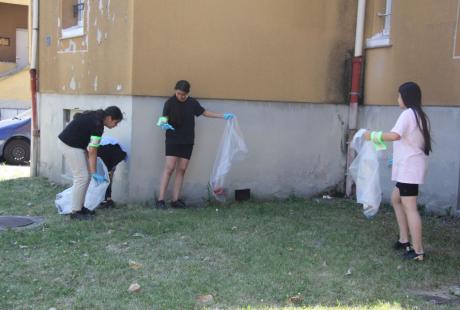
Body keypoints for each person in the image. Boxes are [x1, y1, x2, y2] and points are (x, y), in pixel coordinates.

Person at [364, 82, 431, 261]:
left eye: (399, 95)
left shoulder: (408, 114)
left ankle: (418, 251)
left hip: (409, 170)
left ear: (406, 97)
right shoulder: (419, 115)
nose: (397, 99)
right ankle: (403, 240)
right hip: (409, 168)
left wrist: (372, 135)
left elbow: (395, 136)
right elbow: (412, 142)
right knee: (396, 198)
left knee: (410, 208)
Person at [155, 80, 235, 209]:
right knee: (169, 169)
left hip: (187, 140)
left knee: (182, 170)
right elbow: (162, 120)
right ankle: (160, 200)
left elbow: (204, 112)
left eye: (183, 94)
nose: (180, 96)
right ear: (175, 90)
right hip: (173, 139)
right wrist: (163, 124)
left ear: (187, 93)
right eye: (178, 93)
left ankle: (175, 200)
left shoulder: (192, 103)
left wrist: (222, 116)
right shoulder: (169, 103)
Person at [58, 106, 123, 220]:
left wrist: (92, 172)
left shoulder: (95, 117)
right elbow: (93, 150)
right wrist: (93, 172)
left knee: (85, 177)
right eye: (116, 122)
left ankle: (80, 207)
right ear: (109, 118)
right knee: (82, 177)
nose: (115, 125)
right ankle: (76, 212)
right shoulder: (98, 125)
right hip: (69, 145)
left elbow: (91, 150)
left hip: (74, 144)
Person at [97, 136, 128, 208]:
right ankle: (107, 199)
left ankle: (106, 200)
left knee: (106, 175)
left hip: (109, 151)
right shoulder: (100, 140)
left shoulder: (93, 142)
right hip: (118, 151)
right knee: (108, 175)